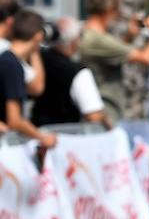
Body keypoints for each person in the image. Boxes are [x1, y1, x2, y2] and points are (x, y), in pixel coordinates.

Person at [78, 0, 149, 122]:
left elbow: (114, 54)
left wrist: (129, 37)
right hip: (105, 115)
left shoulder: (87, 34)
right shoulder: (98, 40)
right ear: (109, 9)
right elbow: (147, 58)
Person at [31, 17, 107, 129]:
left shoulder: (36, 59)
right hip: (65, 138)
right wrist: (110, 126)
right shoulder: (78, 72)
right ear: (74, 40)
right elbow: (94, 115)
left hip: (34, 134)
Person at [0, 11, 55, 150]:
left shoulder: (6, 60)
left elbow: (36, 87)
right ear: (39, 36)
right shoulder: (12, 65)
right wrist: (42, 137)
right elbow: (14, 120)